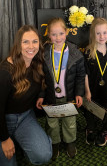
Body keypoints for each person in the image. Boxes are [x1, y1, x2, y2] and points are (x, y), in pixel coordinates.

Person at [0, 25, 52, 166]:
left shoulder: (37, 62)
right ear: (18, 45)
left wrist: (41, 96)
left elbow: (41, 83)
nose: (31, 46)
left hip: (25, 117)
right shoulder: (3, 74)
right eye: (26, 42)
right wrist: (4, 139)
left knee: (43, 155)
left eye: (35, 41)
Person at [36, 17, 85, 160]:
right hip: (51, 96)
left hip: (68, 96)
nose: (58, 38)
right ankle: (54, 143)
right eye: (53, 34)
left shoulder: (75, 53)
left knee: (69, 122)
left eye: (61, 33)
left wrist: (79, 93)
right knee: (52, 123)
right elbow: (41, 78)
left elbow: (80, 76)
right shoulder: (44, 54)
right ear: (48, 35)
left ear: (66, 32)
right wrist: (41, 95)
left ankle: (70, 142)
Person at [84, 17, 107, 146]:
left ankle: (105, 130)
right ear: (93, 35)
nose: (102, 36)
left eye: (104, 32)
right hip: (91, 90)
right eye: (98, 33)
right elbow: (85, 74)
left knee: (106, 109)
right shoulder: (88, 52)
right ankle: (90, 129)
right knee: (90, 109)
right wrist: (87, 91)